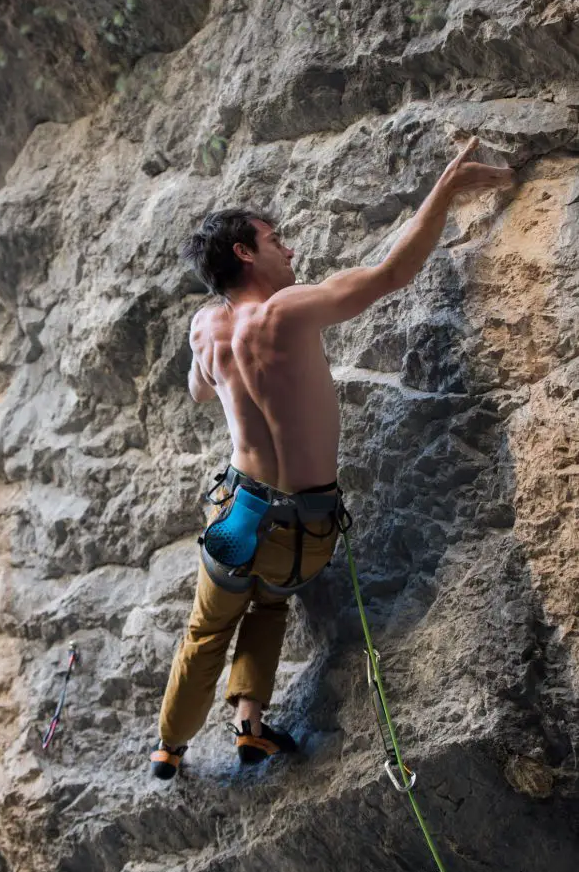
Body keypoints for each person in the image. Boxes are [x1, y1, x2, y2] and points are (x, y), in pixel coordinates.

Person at [150, 137, 515, 780]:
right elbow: (390, 275)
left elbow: (198, 388)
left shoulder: (206, 327)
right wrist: (447, 188)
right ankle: (249, 726)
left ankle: (170, 749)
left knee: (208, 630)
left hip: (233, 506)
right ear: (245, 251)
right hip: (303, 531)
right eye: (275, 238)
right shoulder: (286, 312)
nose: (289, 248)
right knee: (272, 598)